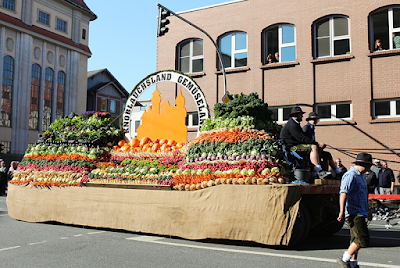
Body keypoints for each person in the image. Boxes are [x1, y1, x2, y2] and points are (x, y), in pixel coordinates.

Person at [337, 152, 372, 268]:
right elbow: (343, 193)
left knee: (355, 239)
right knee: (362, 239)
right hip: (353, 212)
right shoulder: (350, 175)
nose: (369, 169)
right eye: (368, 166)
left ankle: (353, 263)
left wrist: (368, 211)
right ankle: (344, 259)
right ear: (362, 164)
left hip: (361, 211)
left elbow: (363, 196)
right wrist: (341, 211)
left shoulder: (360, 176)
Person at [280, 107, 328, 178]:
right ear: (295, 115)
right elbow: (301, 138)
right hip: (291, 148)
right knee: (313, 147)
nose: (302, 116)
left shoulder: (295, 124)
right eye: (301, 114)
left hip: (295, 146)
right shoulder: (292, 125)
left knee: (319, 149)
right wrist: (317, 143)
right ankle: (318, 170)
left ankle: (316, 172)